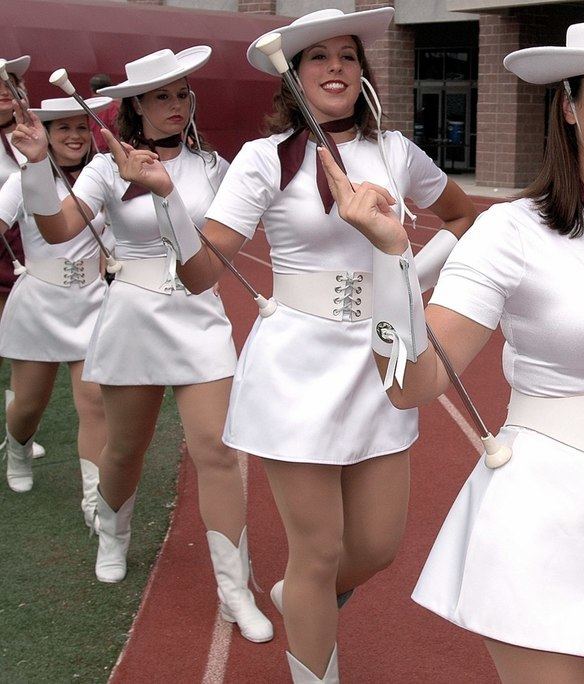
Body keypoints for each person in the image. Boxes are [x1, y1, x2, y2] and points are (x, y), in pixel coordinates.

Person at [319, 15, 584, 683]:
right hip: (544, 517)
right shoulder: (510, 232)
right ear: (569, 106)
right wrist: (389, 261)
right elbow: (413, 382)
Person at [105, 8, 476, 681]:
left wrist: (409, 278)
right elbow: (202, 274)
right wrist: (164, 199)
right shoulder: (261, 159)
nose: (334, 67)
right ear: (294, 78)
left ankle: (298, 600)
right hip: (296, 367)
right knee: (317, 552)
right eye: (316, 57)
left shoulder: (394, 152)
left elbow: (460, 216)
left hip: (382, 361)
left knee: (378, 546)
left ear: (363, 73)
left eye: (346, 55)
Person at [12, 46, 273, 643]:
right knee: (125, 450)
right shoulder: (106, 167)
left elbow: (213, 247)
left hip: (198, 316)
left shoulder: (214, 166)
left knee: (218, 451)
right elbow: (56, 230)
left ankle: (235, 590)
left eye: (183, 94)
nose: (176, 106)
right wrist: (33, 167)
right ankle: (113, 530)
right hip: (132, 314)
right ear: (135, 105)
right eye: (161, 96)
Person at [0, 97, 110, 529]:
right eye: (62, 129)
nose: (74, 136)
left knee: (95, 403)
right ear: (45, 133)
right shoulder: (27, 178)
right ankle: (19, 446)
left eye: (81, 128)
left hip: (92, 300)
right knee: (28, 405)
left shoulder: (103, 176)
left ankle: (94, 502)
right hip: (39, 303)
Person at [0, 54, 45, 460]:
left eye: (10, 84)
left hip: (33, 248)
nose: (4, 92)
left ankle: (19, 435)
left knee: (21, 341)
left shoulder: (35, 133)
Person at [89, 74, 120, 153]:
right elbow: (119, 130)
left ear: (92, 89)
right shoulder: (114, 106)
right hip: (110, 151)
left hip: (90, 152)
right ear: (109, 88)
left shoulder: (85, 106)